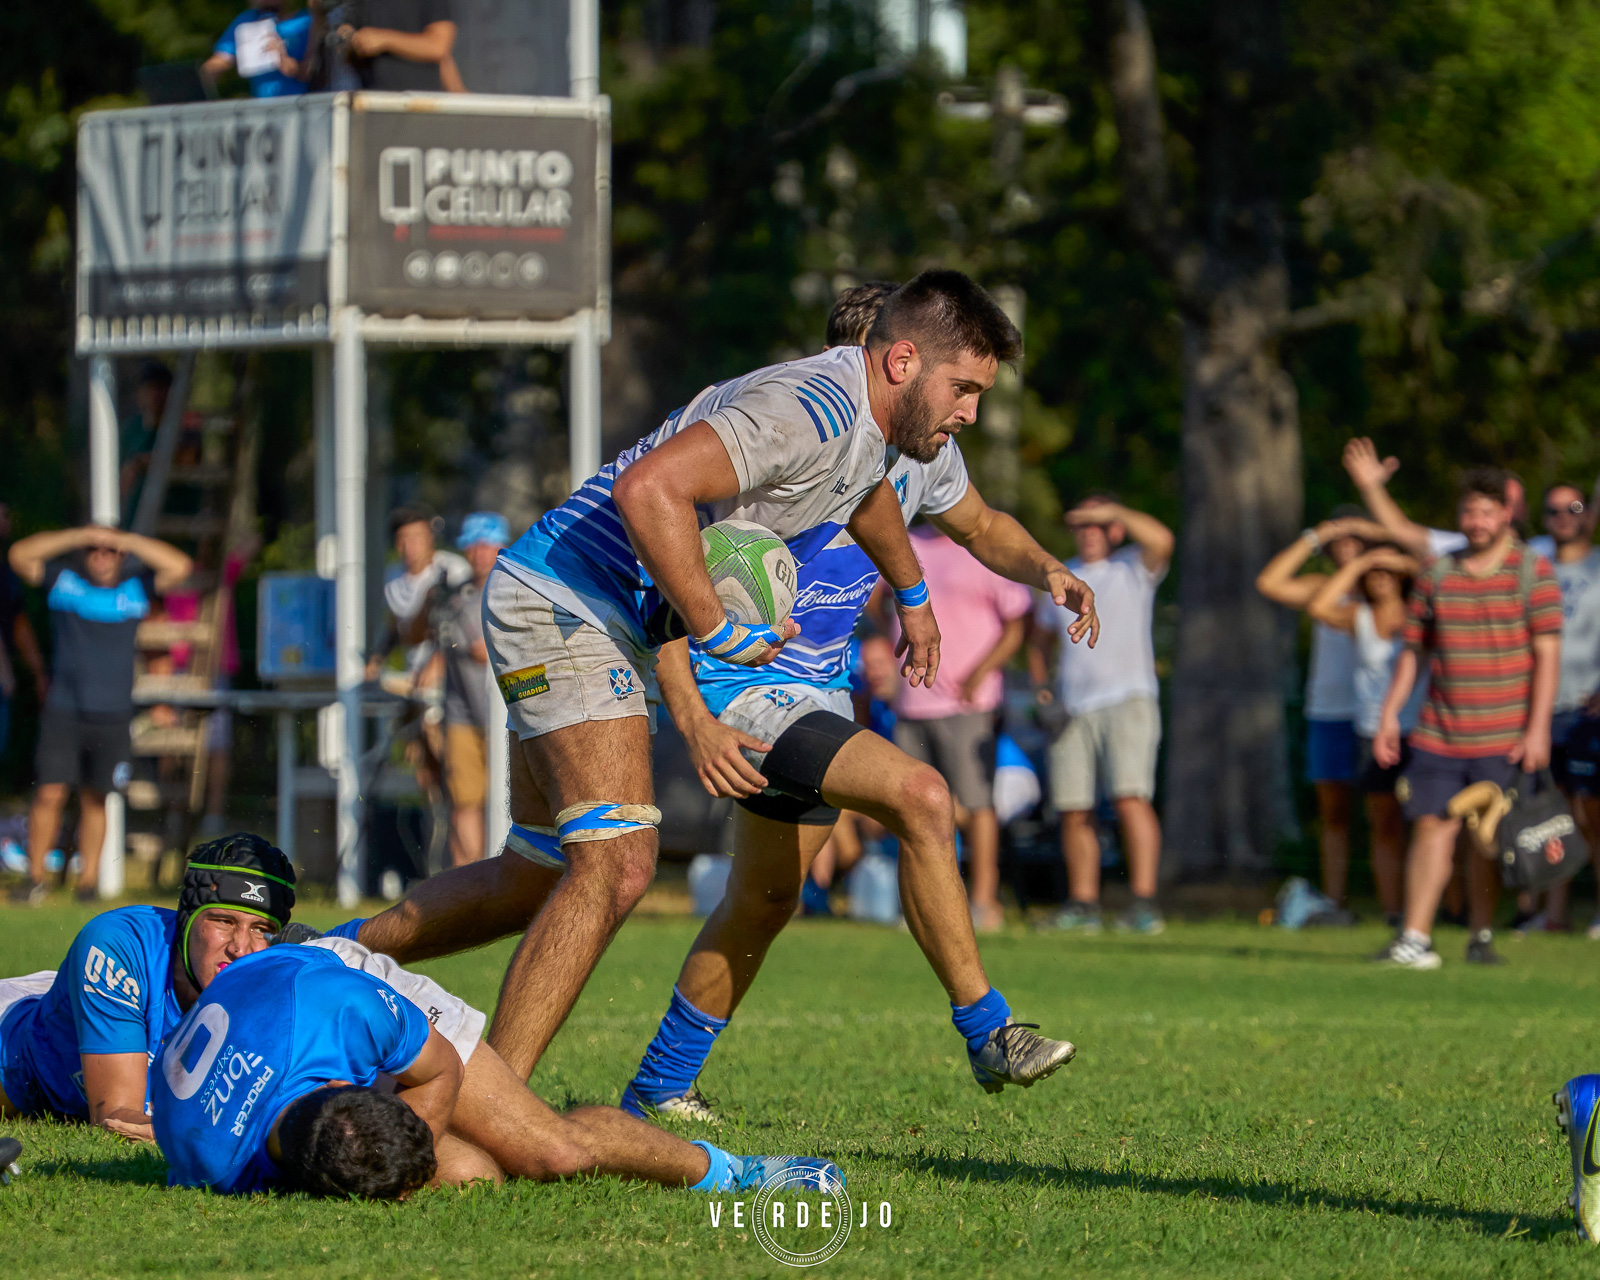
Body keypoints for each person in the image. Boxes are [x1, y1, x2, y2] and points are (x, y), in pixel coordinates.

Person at [339, 270, 1019, 1091]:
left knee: (537, 874)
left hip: (573, 602)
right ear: (903, 361)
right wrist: (715, 626)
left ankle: (325, 957)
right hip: (571, 602)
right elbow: (646, 488)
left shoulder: (864, 433)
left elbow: (872, 501)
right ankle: (492, 1105)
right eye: (966, 388)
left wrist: (914, 597)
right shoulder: (814, 408)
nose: (972, 412)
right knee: (619, 864)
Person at [615, 282, 1096, 1121]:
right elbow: (661, 575)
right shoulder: (791, 435)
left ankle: (657, 1087)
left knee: (765, 902)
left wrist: (1047, 568)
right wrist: (689, 711)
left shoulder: (915, 449)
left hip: (818, 692)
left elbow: (980, 527)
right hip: (745, 690)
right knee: (922, 795)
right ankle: (989, 1029)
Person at [151, 944, 843, 1198]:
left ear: (344, 1083)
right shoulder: (211, 1161)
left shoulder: (355, 1012)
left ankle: (728, 1170)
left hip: (321, 983)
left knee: (553, 1152)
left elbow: (438, 1071)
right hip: (269, 1021)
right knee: (475, 1178)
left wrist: (407, 1153)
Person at [1371, 468, 1562, 969]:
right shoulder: (1437, 573)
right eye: (1468, 512)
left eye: (1486, 512)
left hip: (1503, 733)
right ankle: (1415, 937)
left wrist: (1537, 727)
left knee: (1487, 840)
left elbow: (1548, 653)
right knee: (1431, 826)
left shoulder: (1531, 571)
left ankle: (1480, 933)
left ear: (1505, 515)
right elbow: (1413, 653)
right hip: (1439, 730)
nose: (1476, 522)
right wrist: (1390, 714)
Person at [7, 525, 192, 905]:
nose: (102, 554)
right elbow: (19, 555)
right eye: (94, 548)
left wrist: (126, 540)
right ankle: (35, 878)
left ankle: (87, 884)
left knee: (97, 799)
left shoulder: (135, 587)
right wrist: (79, 535)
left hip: (112, 714)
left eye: (110, 550)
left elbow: (181, 566)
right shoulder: (64, 582)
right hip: (64, 709)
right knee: (49, 793)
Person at [1030, 493, 1173, 935]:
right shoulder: (1062, 574)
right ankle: (1083, 904)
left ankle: (1144, 902)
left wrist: (1114, 513)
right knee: (1074, 808)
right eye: (1082, 524)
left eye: (1097, 524)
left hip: (1128, 699)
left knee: (1131, 798)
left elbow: (1163, 538)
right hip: (1073, 706)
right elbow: (1039, 641)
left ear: (1113, 529)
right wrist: (1042, 689)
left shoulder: (1132, 568)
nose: (1088, 532)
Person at [881, 521, 1034, 931]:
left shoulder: (981, 549)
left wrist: (981, 673)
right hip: (912, 702)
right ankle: (918, 905)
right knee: (907, 808)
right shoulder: (903, 541)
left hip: (967, 703)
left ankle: (983, 901)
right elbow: (881, 606)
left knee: (976, 804)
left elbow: (1017, 622)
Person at [1256, 511, 1392, 918]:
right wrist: (1314, 535)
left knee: (1384, 816)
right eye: (1340, 538)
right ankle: (1335, 904)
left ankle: (1395, 908)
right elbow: (1269, 582)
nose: (1347, 544)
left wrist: (1374, 547)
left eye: (1355, 537)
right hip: (1328, 713)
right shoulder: (1322, 588)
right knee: (1333, 814)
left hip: (1376, 715)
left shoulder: (1385, 594)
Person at [1306, 546, 1426, 926]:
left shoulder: (1420, 612)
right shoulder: (1358, 615)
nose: (1380, 577)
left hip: (1423, 731)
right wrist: (1359, 563)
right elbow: (1319, 607)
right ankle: (1394, 913)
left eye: (1387, 572)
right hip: (1374, 733)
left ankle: (1445, 910)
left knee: (1431, 823)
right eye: (1373, 573)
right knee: (1385, 824)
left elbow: (1438, 575)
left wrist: (1395, 556)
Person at [1520, 483, 1600, 933]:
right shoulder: (1531, 560)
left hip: (1586, 712)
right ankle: (1552, 915)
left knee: (1591, 815)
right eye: (1553, 510)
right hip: (1535, 711)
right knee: (1550, 817)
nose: (1564, 517)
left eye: (1574, 508)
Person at [440, 512, 508, 867]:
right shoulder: (456, 597)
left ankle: (500, 878)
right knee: (465, 800)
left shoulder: (515, 587)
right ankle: (470, 878)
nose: (479, 554)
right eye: (472, 547)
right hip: (463, 714)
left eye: (486, 546)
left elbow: (485, 650)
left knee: (508, 801)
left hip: (511, 715)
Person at [0, 503, 48, 759]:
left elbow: (19, 623)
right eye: (3, 513)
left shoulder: (6, 571)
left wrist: (38, 672)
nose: (8, 519)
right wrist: (4, 669)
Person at [342, 0, 463, 92]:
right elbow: (346, 43)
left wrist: (385, 39)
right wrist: (352, 41)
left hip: (419, 105)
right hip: (370, 103)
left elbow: (438, 46)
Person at [202, 1, 314, 97]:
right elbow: (223, 58)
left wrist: (281, 56)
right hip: (260, 108)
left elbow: (310, 72)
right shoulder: (247, 20)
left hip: (298, 105)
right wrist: (199, 76)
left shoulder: (305, 22)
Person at [117, 363, 171, 528]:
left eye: (160, 388)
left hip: (174, 521)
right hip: (136, 523)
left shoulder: (185, 426)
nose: (155, 395)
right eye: (149, 388)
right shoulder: (131, 429)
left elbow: (187, 457)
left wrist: (140, 463)